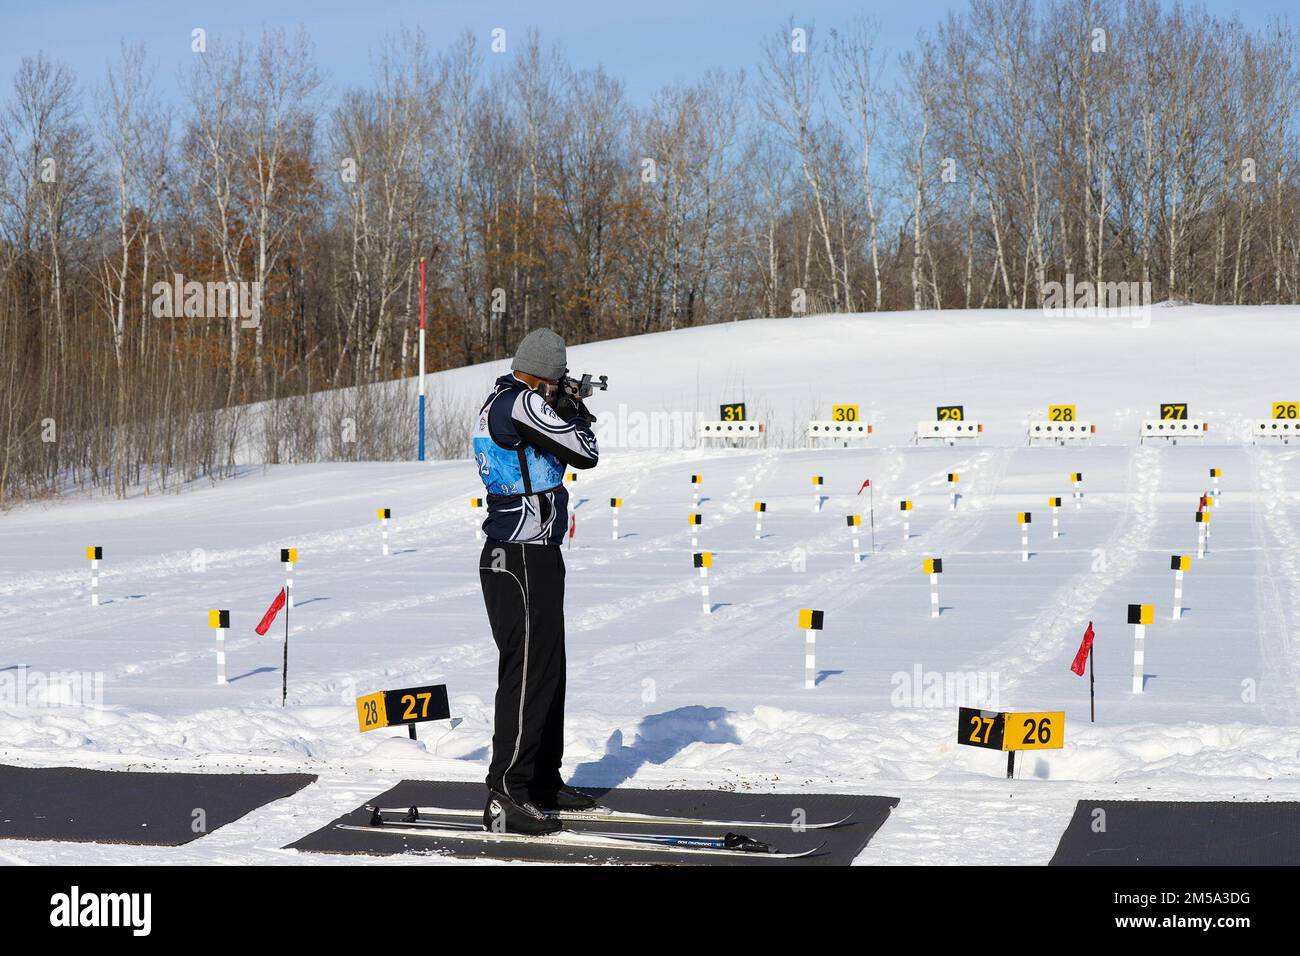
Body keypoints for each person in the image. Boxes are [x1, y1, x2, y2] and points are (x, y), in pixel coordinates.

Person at [472, 328, 601, 834]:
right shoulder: (521, 402)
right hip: (519, 554)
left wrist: (564, 405)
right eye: (557, 378)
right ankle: (507, 790)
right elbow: (584, 451)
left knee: (548, 669)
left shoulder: (509, 400)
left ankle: (543, 778)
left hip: (534, 553)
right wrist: (571, 410)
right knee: (526, 674)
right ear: (545, 374)